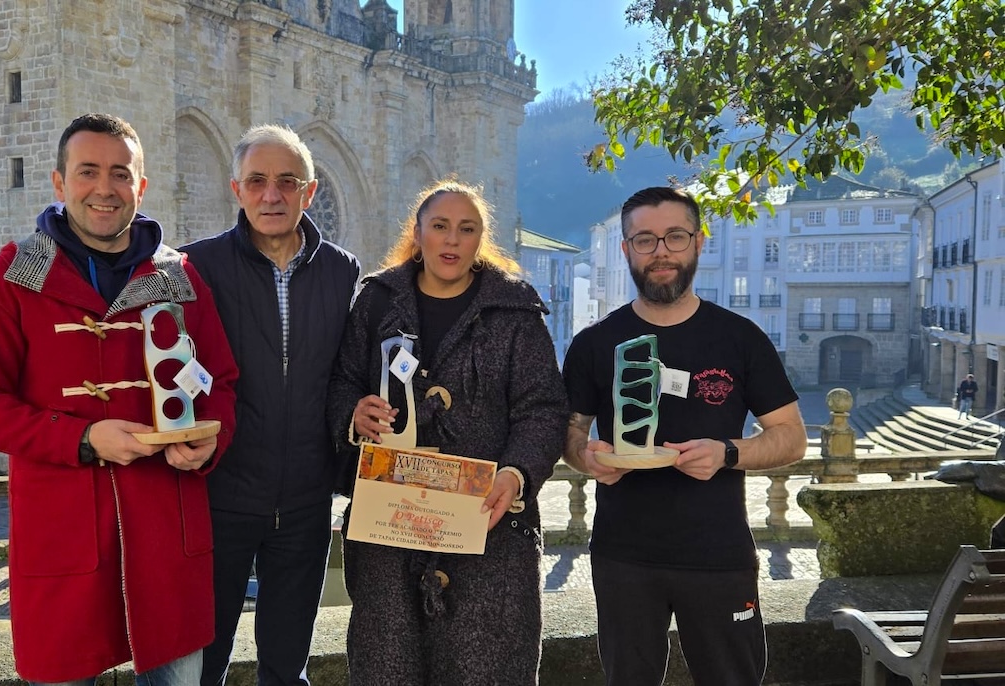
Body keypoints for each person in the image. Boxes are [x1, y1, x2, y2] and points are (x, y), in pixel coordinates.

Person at [0, 113, 239, 685]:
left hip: (165, 539)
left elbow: (220, 383)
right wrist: (79, 436)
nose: (105, 188)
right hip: (63, 538)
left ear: (140, 187)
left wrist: (208, 438)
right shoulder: (5, 282)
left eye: (121, 174)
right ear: (58, 182)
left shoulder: (181, 278)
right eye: (88, 172)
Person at [561, 186, 807, 686]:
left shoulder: (739, 338)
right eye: (645, 240)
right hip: (622, 555)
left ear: (698, 242)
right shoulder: (594, 343)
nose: (661, 252)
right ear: (627, 249)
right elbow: (569, 432)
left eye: (675, 236)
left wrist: (728, 452)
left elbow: (791, 437)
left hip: (718, 554)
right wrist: (586, 458)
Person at [327, 178, 568, 684]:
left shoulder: (515, 312)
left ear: (482, 238)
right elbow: (341, 380)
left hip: (488, 534)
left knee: (486, 669)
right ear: (418, 231)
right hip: (388, 531)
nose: (452, 240)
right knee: (386, 668)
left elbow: (542, 409)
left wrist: (517, 474)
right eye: (440, 226)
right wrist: (353, 412)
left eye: (467, 228)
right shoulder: (376, 301)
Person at [180, 124, 360, 686]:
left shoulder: (342, 270)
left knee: (287, 667)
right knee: (200, 665)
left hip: (306, 502)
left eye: (287, 182)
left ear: (309, 192)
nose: (271, 195)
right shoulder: (195, 267)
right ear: (237, 189)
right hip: (220, 496)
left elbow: (344, 374)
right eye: (257, 181)